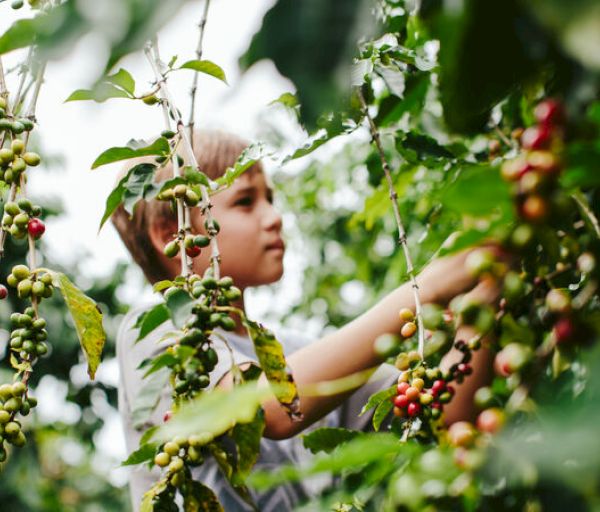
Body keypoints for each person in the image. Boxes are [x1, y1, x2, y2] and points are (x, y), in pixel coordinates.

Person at [112, 130, 495, 511]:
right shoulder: (156, 328)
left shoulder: (296, 354)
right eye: (246, 201)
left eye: (271, 199)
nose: (274, 218)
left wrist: (486, 293)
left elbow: (444, 415)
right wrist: (425, 289)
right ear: (174, 235)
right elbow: (270, 407)